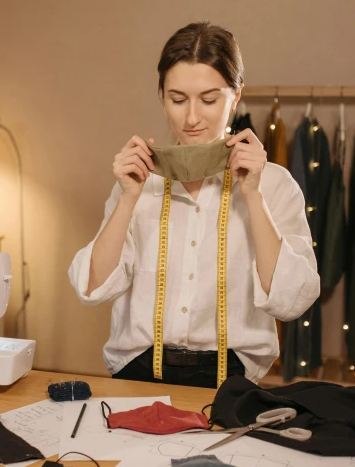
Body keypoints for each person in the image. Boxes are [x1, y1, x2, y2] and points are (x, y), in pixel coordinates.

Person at [68, 22, 320, 388]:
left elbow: (290, 302)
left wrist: (253, 195)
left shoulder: (275, 184)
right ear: (161, 96)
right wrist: (127, 200)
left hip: (233, 380)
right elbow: (91, 289)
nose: (191, 118)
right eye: (178, 99)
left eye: (209, 99)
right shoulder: (138, 182)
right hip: (135, 374)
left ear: (236, 95)